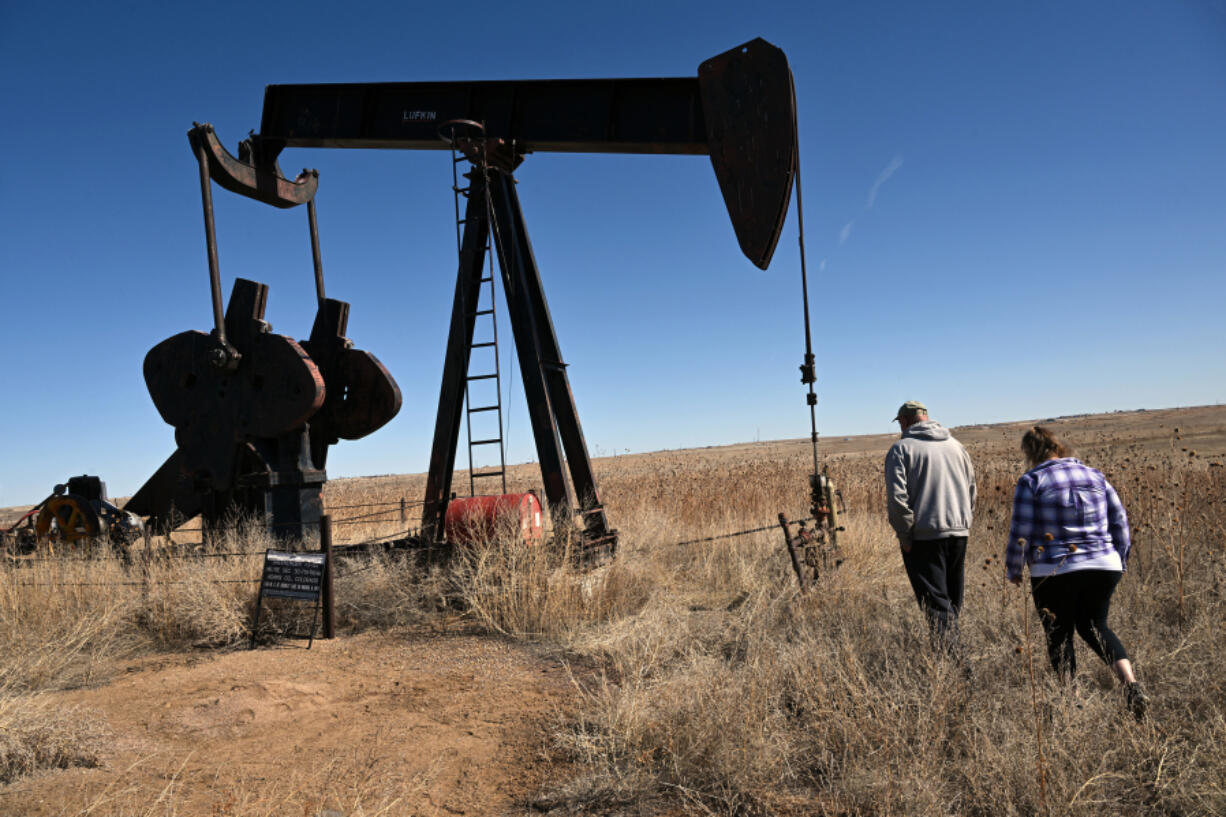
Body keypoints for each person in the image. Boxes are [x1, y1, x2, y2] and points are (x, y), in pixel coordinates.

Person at [1005, 426, 1148, 718]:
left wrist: (1015, 567)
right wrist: (1119, 557)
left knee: (1059, 634)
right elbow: (1119, 519)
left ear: (1031, 453)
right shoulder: (1095, 476)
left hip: (1054, 568)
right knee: (1096, 626)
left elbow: (1022, 528)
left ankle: (1072, 701)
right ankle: (1131, 685)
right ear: (1059, 446)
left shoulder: (1031, 480)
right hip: (1103, 564)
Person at [885, 400, 977, 654]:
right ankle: (947, 657)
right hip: (958, 532)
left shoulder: (901, 450)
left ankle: (956, 671)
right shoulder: (956, 446)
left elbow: (897, 499)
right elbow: (972, 490)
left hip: (924, 537)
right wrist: (963, 522)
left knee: (936, 606)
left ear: (904, 421)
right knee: (951, 602)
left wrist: (904, 535)